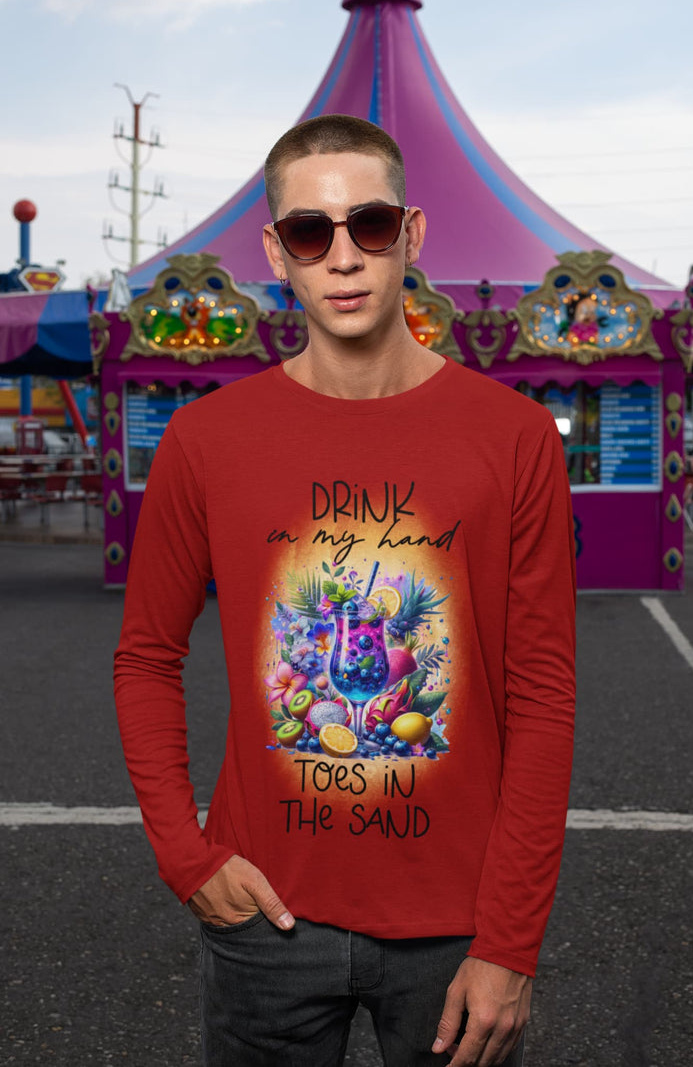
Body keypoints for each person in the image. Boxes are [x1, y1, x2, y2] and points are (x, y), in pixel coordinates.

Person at [114, 114, 576, 1067]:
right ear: (276, 251)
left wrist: (511, 939)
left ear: (410, 234)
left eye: (368, 224)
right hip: (266, 919)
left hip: (457, 928)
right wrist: (186, 856)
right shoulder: (206, 443)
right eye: (311, 233)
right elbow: (147, 657)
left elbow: (542, 695)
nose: (343, 256)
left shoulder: (516, 436)